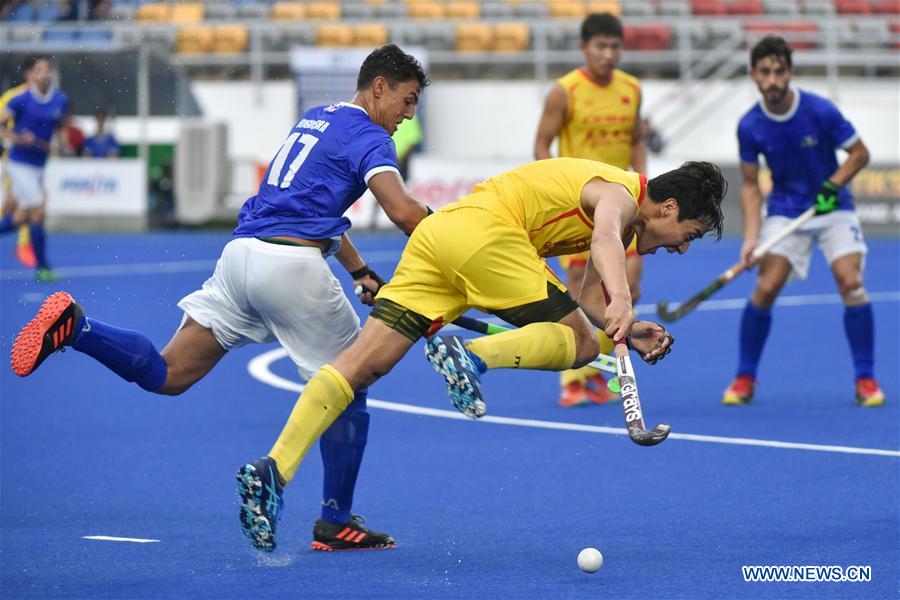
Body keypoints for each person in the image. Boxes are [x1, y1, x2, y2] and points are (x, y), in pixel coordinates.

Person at [10, 44, 432, 552]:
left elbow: (314, 210)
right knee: (353, 379)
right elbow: (404, 212)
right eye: (407, 102)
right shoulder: (369, 136)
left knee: (169, 374)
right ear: (379, 86)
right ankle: (333, 521)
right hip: (291, 268)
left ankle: (78, 328)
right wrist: (457, 245)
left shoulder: (318, 118)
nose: (408, 117)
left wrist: (360, 270)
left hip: (240, 257)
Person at [235, 157, 726, 552]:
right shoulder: (620, 194)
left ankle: (274, 470)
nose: (682, 249)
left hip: (440, 237)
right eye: (691, 235)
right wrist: (624, 297)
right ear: (668, 207)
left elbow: (590, 302)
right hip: (487, 236)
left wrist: (628, 325)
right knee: (577, 343)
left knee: (359, 368)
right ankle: (472, 357)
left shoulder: (620, 224)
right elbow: (602, 242)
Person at [723, 36, 882, 407]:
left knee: (851, 282)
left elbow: (860, 154)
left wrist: (833, 184)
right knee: (766, 288)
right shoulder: (750, 126)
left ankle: (866, 379)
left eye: (780, 71)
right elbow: (749, 186)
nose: (773, 79)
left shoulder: (820, 110)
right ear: (753, 76)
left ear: (790, 72)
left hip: (833, 207)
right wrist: (750, 239)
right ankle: (745, 377)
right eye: (765, 72)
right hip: (785, 210)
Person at [534, 12, 648, 408]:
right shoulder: (564, 91)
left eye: (615, 46)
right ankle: (574, 377)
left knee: (628, 287)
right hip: (580, 209)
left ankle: (602, 371)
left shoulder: (631, 89)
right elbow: (541, 147)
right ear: (584, 48)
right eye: (600, 46)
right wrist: (556, 192)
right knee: (582, 293)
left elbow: (636, 141)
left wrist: (644, 184)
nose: (608, 54)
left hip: (624, 206)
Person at [0, 55, 67, 282]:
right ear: (30, 74)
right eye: (39, 69)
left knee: (20, 217)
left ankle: (41, 265)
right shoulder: (20, 100)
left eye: (48, 69)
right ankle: (43, 266)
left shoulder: (60, 99)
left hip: (39, 166)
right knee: (38, 210)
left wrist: (60, 144)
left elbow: (60, 129)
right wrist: (16, 138)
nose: (44, 73)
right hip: (19, 164)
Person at [0, 76, 37, 269]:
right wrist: (14, 138)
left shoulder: (44, 98)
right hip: (14, 159)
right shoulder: (12, 97)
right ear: (29, 73)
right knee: (9, 204)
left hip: (32, 161)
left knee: (31, 203)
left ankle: (24, 245)